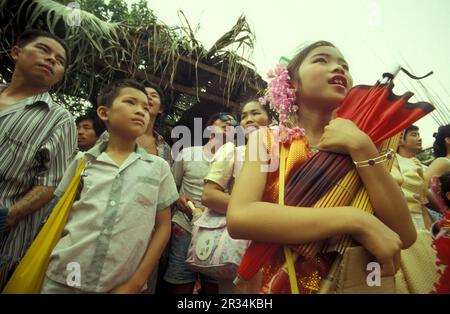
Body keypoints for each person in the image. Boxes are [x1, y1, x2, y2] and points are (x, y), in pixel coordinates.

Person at [227, 41, 416, 294]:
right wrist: (354, 220)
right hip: (275, 284)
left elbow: (404, 234)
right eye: (321, 60)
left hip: (350, 283)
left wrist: (362, 148)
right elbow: (240, 218)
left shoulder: (369, 143)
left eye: (344, 65)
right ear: (292, 82)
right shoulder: (269, 139)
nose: (338, 68)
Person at [40, 79, 178, 293]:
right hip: (65, 275)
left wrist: (136, 283)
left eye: (145, 106)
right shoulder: (82, 161)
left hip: (122, 282)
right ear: (104, 113)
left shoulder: (158, 167)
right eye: (130, 102)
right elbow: (58, 213)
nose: (141, 111)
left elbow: (163, 226)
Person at [0, 29, 76, 289]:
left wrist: (7, 218)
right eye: (44, 50)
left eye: (60, 60)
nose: (52, 60)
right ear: (16, 52)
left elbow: (50, 183)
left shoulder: (59, 119)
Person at [201, 100, 272, 293]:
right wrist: (256, 212)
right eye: (244, 116)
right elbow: (209, 196)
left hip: (275, 246)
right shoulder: (232, 151)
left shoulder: (286, 152)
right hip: (237, 247)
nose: (249, 120)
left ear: (270, 118)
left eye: (256, 113)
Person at [162, 112, 237, 294]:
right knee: (180, 282)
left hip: (217, 231)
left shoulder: (237, 159)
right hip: (184, 227)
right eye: (222, 125)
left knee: (212, 284)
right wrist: (177, 199)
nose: (226, 129)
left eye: (231, 127)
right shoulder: (187, 153)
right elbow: (170, 188)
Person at [391, 125, 433, 229]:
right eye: (414, 135)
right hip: (395, 219)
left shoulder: (416, 163)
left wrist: (430, 231)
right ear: (400, 140)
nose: (419, 138)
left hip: (418, 220)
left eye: (419, 135)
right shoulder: (390, 159)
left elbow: (422, 203)